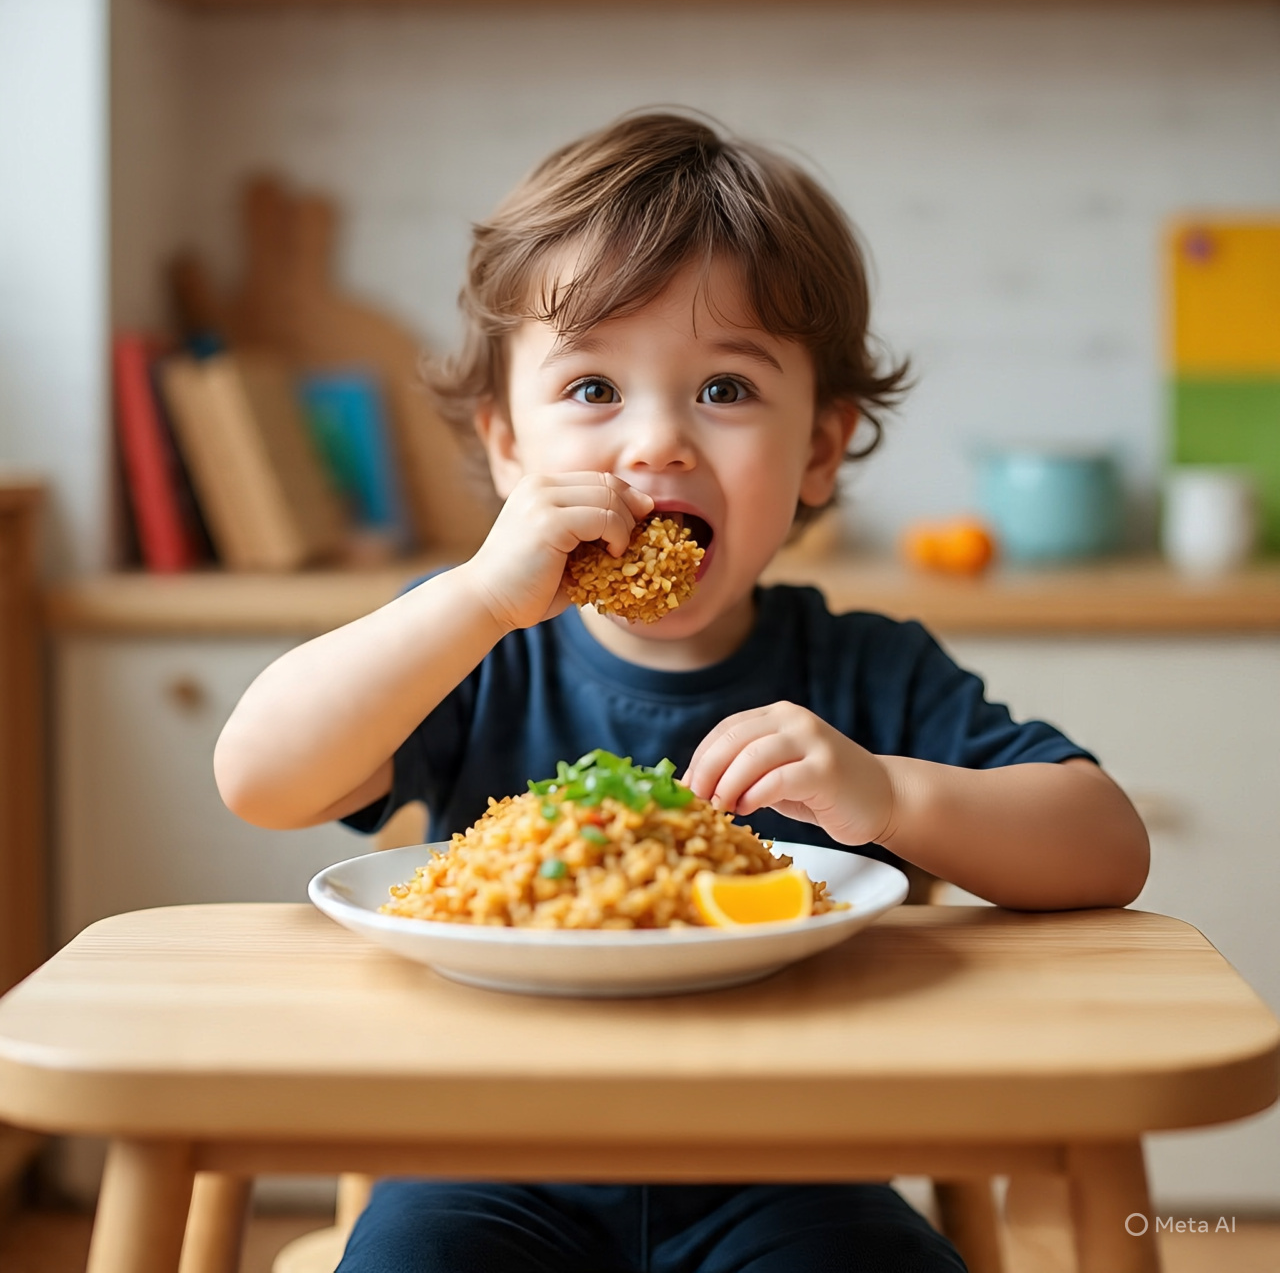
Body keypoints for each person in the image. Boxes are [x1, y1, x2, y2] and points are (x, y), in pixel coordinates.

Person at [215, 111, 1149, 1273]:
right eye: (593, 388)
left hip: (796, 1169)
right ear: (508, 447)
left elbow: (1106, 844)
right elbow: (257, 775)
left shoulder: (865, 671)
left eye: (721, 386)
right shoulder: (471, 649)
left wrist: (893, 796)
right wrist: (471, 602)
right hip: (486, 1162)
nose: (653, 444)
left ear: (818, 447)